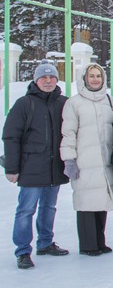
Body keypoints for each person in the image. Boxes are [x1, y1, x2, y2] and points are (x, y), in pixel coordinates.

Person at [3, 62, 70, 269]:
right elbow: (11, 136)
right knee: (26, 209)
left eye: (52, 78)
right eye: (44, 78)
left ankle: (45, 242)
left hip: (54, 166)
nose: (48, 81)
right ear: (36, 80)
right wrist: (12, 168)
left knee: (49, 207)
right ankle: (23, 250)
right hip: (31, 165)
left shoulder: (63, 103)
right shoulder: (24, 103)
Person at [60, 64, 113, 256]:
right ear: (84, 78)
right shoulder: (74, 103)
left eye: (98, 76)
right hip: (84, 160)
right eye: (91, 76)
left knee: (102, 200)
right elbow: (68, 133)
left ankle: (99, 241)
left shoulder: (109, 101)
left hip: (105, 160)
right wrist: (69, 159)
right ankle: (88, 245)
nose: (95, 79)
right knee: (86, 202)